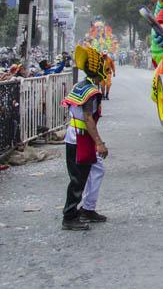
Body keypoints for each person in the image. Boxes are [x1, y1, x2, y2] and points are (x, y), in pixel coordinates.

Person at [62, 46, 109, 230]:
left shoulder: (81, 86)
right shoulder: (90, 91)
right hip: (79, 139)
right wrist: (99, 143)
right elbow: (88, 118)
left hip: (79, 136)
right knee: (78, 178)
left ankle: (88, 208)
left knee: (97, 169)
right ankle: (69, 216)